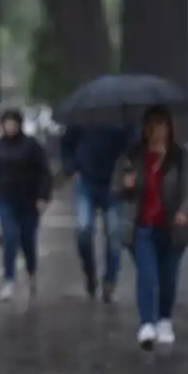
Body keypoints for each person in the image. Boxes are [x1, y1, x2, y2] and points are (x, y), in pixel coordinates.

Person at [114, 105, 188, 350]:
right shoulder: (132, 157)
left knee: (168, 278)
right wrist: (126, 185)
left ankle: (164, 320)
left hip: (171, 229)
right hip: (142, 228)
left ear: (169, 128)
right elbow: (116, 190)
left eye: (163, 125)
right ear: (146, 129)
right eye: (153, 126)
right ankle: (147, 322)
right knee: (147, 276)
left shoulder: (180, 157)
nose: (158, 131)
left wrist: (184, 211)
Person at [0, 108, 53, 301]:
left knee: (28, 239)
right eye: (7, 123)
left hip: (29, 200)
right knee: (10, 238)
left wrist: (43, 196)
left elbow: (44, 172)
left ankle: (31, 271)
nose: (10, 127)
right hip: (5, 199)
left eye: (13, 123)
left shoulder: (32, 146)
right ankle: (8, 279)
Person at [60, 121, 135, 301]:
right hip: (86, 180)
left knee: (114, 232)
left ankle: (110, 280)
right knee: (83, 229)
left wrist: (130, 170)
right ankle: (90, 272)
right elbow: (67, 144)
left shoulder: (122, 117)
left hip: (113, 181)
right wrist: (71, 168)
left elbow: (134, 146)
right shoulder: (82, 117)